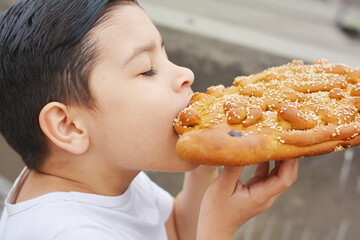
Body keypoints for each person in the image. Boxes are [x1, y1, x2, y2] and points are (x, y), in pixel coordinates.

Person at [0, 0, 298, 239]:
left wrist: (204, 169)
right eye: (147, 69)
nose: (186, 75)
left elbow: (178, 230)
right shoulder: (68, 232)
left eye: (164, 54)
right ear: (69, 127)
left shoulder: (104, 172)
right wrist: (219, 228)